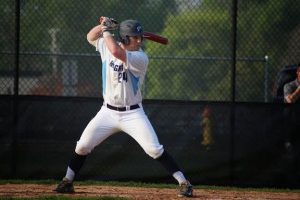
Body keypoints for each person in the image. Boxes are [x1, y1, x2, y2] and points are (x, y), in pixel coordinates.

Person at [54, 17, 193, 198]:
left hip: (133, 113)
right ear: (126, 38)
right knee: (82, 146)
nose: (139, 40)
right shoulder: (107, 43)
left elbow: (116, 51)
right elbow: (90, 37)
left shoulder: (140, 57)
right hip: (108, 112)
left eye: (139, 37)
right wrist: (103, 26)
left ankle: (184, 183)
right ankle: (67, 181)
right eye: (135, 37)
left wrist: (106, 31)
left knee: (154, 149)